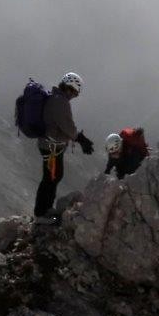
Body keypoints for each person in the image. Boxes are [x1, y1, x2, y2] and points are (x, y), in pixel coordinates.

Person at [35, 72, 94, 224]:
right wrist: (80, 139)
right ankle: (42, 213)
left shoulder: (56, 98)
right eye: (74, 92)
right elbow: (67, 126)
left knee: (53, 177)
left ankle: (46, 209)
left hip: (50, 145)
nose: (74, 96)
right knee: (51, 178)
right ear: (70, 88)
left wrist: (78, 138)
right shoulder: (60, 102)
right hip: (52, 148)